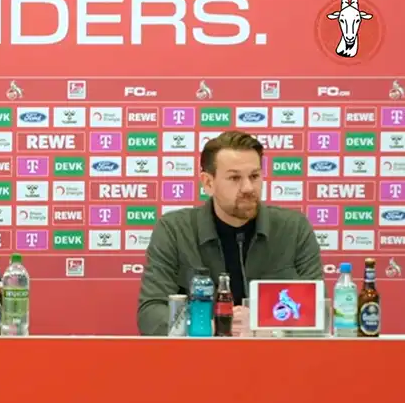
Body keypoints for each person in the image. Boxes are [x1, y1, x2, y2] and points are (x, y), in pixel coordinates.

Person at [137, 130, 323, 336]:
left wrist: (267, 329)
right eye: (234, 178)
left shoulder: (294, 229)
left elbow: (316, 313)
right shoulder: (174, 230)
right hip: (199, 361)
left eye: (254, 176)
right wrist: (213, 326)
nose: (248, 187)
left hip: (276, 359)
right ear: (208, 183)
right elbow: (151, 314)